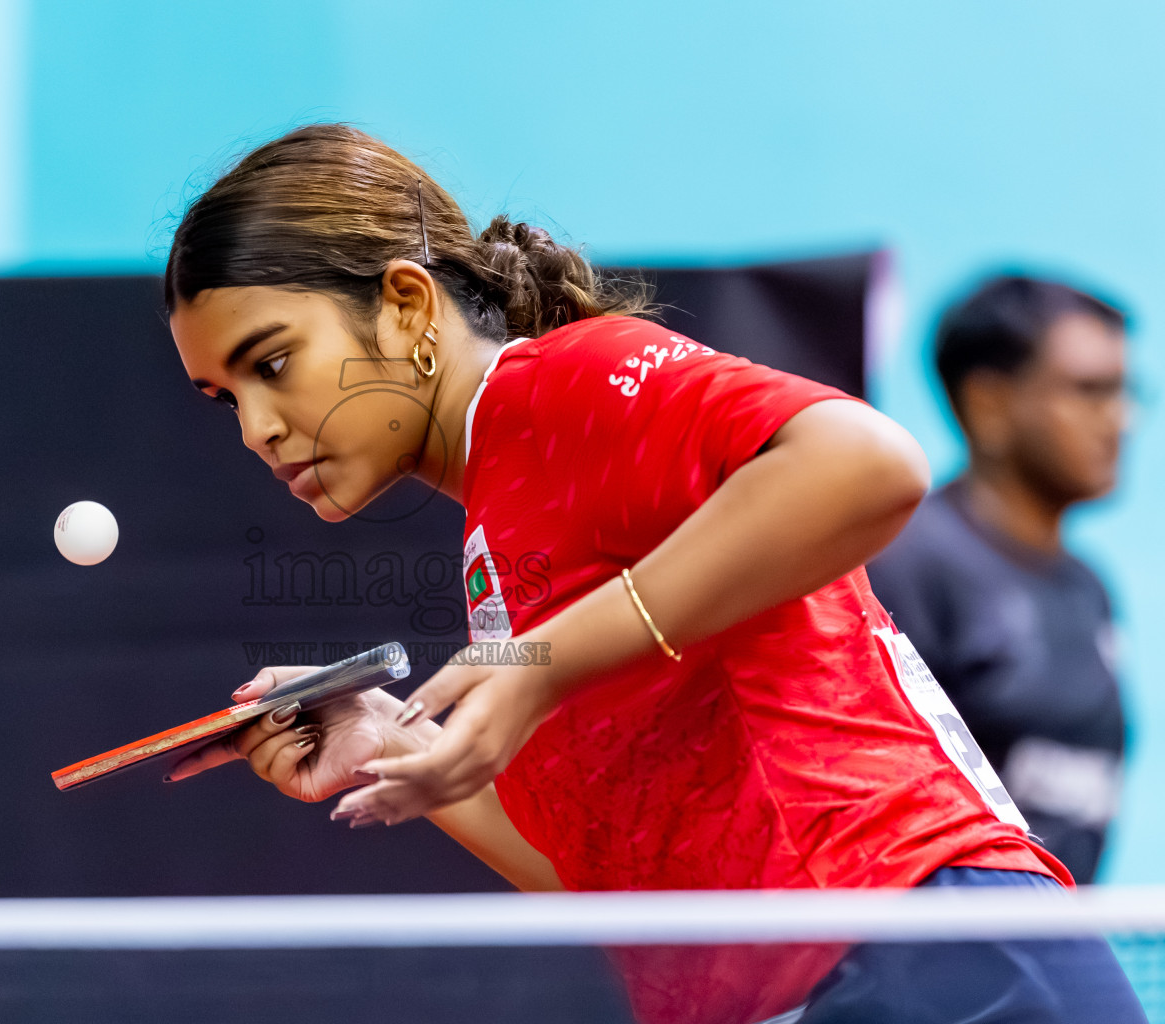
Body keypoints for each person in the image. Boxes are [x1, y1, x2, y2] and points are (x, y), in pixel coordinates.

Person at [160, 124, 1144, 1023]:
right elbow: (621, 880)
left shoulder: (564, 385)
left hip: (931, 959)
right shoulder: (497, 536)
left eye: (273, 362)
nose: (257, 427)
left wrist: (543, 664)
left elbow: (867, 464)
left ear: (406, 304)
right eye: (222, 398)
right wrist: (388, 743)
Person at [868, 275, 1132, 885]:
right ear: (989, 404)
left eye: (1124, 390)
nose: (1121, 419)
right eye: (1089, 391)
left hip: (1055, 951)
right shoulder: (903, 564)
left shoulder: (1089, 588)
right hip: (945, 960)